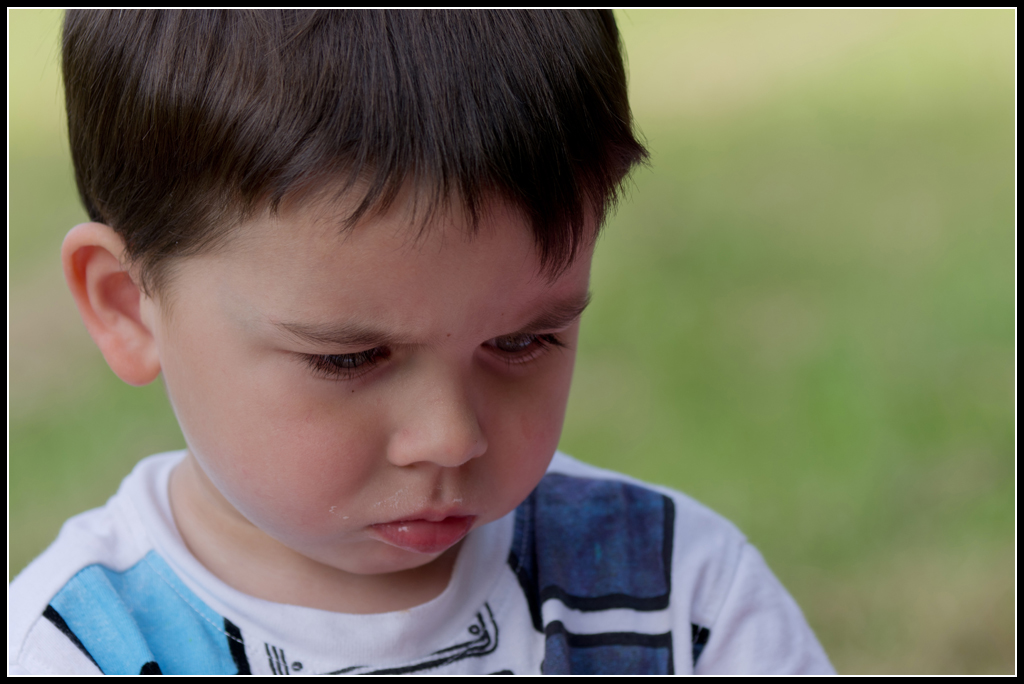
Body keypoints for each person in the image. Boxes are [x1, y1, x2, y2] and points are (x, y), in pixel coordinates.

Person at [8, 10, 833, 675]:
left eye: (523, 341)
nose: (451, 436)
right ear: (127, 305)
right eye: (348, 359)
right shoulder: (75, 649)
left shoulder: (679, 600)